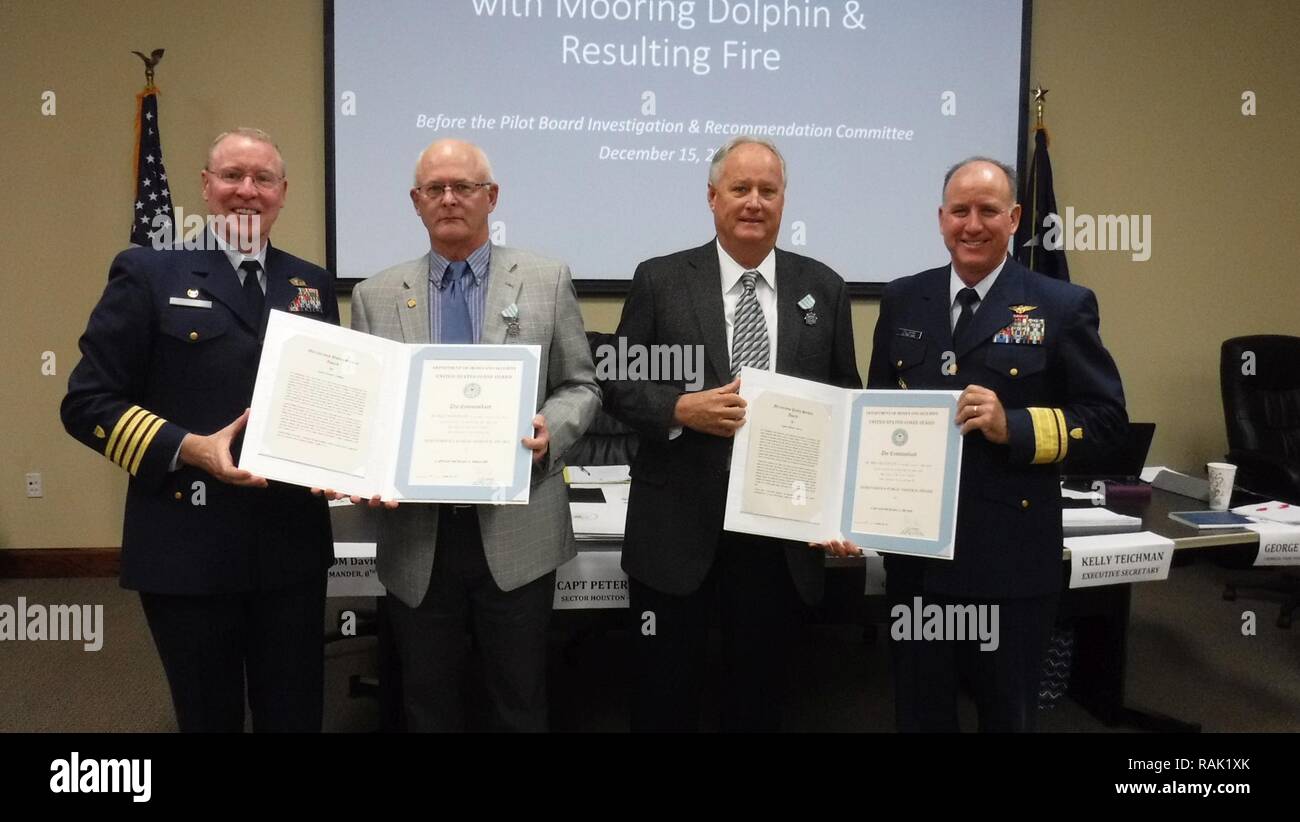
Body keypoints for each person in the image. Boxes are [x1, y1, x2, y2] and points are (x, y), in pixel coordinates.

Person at [61, 128, 338, 732]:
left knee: (295, 715)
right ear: (206, 187)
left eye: (263, 179)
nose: (247, 191)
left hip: (290, 548)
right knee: (207, 718)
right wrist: (188, 448)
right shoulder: (148, 271)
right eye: (233, 176)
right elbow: (86, 403)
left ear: (283, 192)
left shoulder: (311, 285)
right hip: (188, 545)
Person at [604, 136, 861, 731]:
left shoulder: (823, 287)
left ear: (783, 201)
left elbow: (845, 404)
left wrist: (843, 510)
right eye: (740, 189)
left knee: (761, 701)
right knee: (665, 699)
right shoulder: (661, 279)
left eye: (767, 191)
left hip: (778, 540)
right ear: (712, 197)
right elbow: (615, 382)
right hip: (676, 536)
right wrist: (678, 408)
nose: (753, 202)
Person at [866, 157, 1127, 732]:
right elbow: (876, 417)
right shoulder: (903, 300)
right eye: (960, 211)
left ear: (1013, 219)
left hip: (1010, 560)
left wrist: (1017, 425)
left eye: (988, 211)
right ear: (941, 219)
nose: (972, 224)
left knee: (1006, 715)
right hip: (919, 562)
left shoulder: (1061, 305)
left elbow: (1107, 422)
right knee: (920, 712)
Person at [349, 139, 599, 732]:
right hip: (418, 536)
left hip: (518, 531)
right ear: (416, 202)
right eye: (435, 189)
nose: (450, 199)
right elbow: (367, 410)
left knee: (519, 701)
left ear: (492, 197)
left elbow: (582, 386)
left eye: (464, 187)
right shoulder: (374, 295)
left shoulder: (545, 279)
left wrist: (550, 428)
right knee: (427, 703)